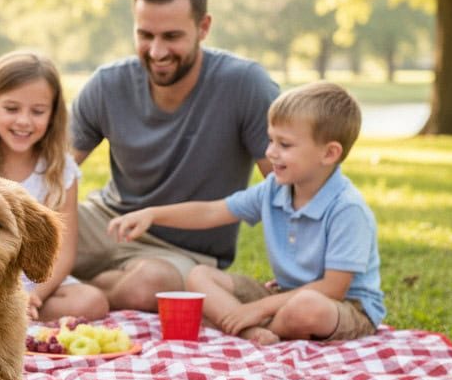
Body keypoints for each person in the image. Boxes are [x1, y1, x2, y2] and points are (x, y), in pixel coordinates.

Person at [70, 0, 280, 311]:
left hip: (185, 253)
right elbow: (51, 171)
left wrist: (304, 273)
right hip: (108, 221)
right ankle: (87, 288)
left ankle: (81, 294)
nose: (156, 52)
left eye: (171, 36)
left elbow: (288, 187)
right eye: (145, 35)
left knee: (147, 286)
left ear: (204, 27)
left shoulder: (245, 85)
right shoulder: (108, 84)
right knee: (17, 242)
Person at [108, 82, 384, 344]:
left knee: (306, 308)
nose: (270, 152)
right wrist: (153, 214)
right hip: (282, 295)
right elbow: (212, 212)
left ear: (329, 153)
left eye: (284, 145)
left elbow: (332, 289)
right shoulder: (274, 189)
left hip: (343, 306)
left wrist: (259, 307)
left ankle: (251, 326)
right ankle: (251, 330)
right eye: (271, 140)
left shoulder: (347, 209)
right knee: (199, 276)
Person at [0, 51, 109, 322]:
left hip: (33, 278)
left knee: (92, 301)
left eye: (38, 111)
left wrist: (36, 294)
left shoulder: (61, 170)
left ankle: (7, 314)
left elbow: (64, 251)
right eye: (12, 108)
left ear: (53, 114)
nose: (24, 121)